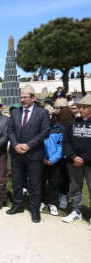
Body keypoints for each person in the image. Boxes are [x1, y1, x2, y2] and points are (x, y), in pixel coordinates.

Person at [7, 84, 51, 223]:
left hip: (34, 154)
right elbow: (10, 130)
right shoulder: (15, 112)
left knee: (35, 184)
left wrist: (28, 145)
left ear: (33, 98)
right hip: (16, 154)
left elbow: (45, 132)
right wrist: (15, 145)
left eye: (25, 97)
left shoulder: (42, 113)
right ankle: (18, 205)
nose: (22, 100)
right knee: (17, 181)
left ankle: (34, 210)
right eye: (21, 97)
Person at [62, 94, 91, 227]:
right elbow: (66, 141)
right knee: (75, 187)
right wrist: (74, 156)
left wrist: (83, 158)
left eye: (85, 107)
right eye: (80, 107)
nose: (81, 109)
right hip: (73, 162)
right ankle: (76, 211)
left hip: (89, 163)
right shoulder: (73, 122)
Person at [40, 104, 64, 216]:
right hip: (41, 159)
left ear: (53, 115)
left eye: (49, 114)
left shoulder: (59, 128)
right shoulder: (39, 128)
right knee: (41, 182)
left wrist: (53, 159)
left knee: (54, 183)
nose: (47, 116)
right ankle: (42, 201)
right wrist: (43, 157)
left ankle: (53, 203)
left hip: (55, 161)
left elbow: (61, 146)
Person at [54, 98, 73, 209]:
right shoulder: (54, 119)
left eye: (58, 108)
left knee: (65, 176)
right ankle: (56, 194)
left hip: (66, 152)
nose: (56, 110)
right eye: (55, 108)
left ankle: (63, 195)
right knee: (56, 175)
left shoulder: (71, 120)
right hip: (55, 152)